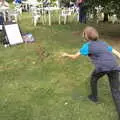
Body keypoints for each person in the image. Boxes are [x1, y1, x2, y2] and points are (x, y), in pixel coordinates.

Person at [62, 26, 120, 120]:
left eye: (84, 33)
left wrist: (66, 55)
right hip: (114, 66)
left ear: (86, 36)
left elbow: (74, 57)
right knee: (116, 91)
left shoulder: (87, 46)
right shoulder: (103, 43)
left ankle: (94, 97)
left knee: (93, 78)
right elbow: (117, 53)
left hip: (102, 67)